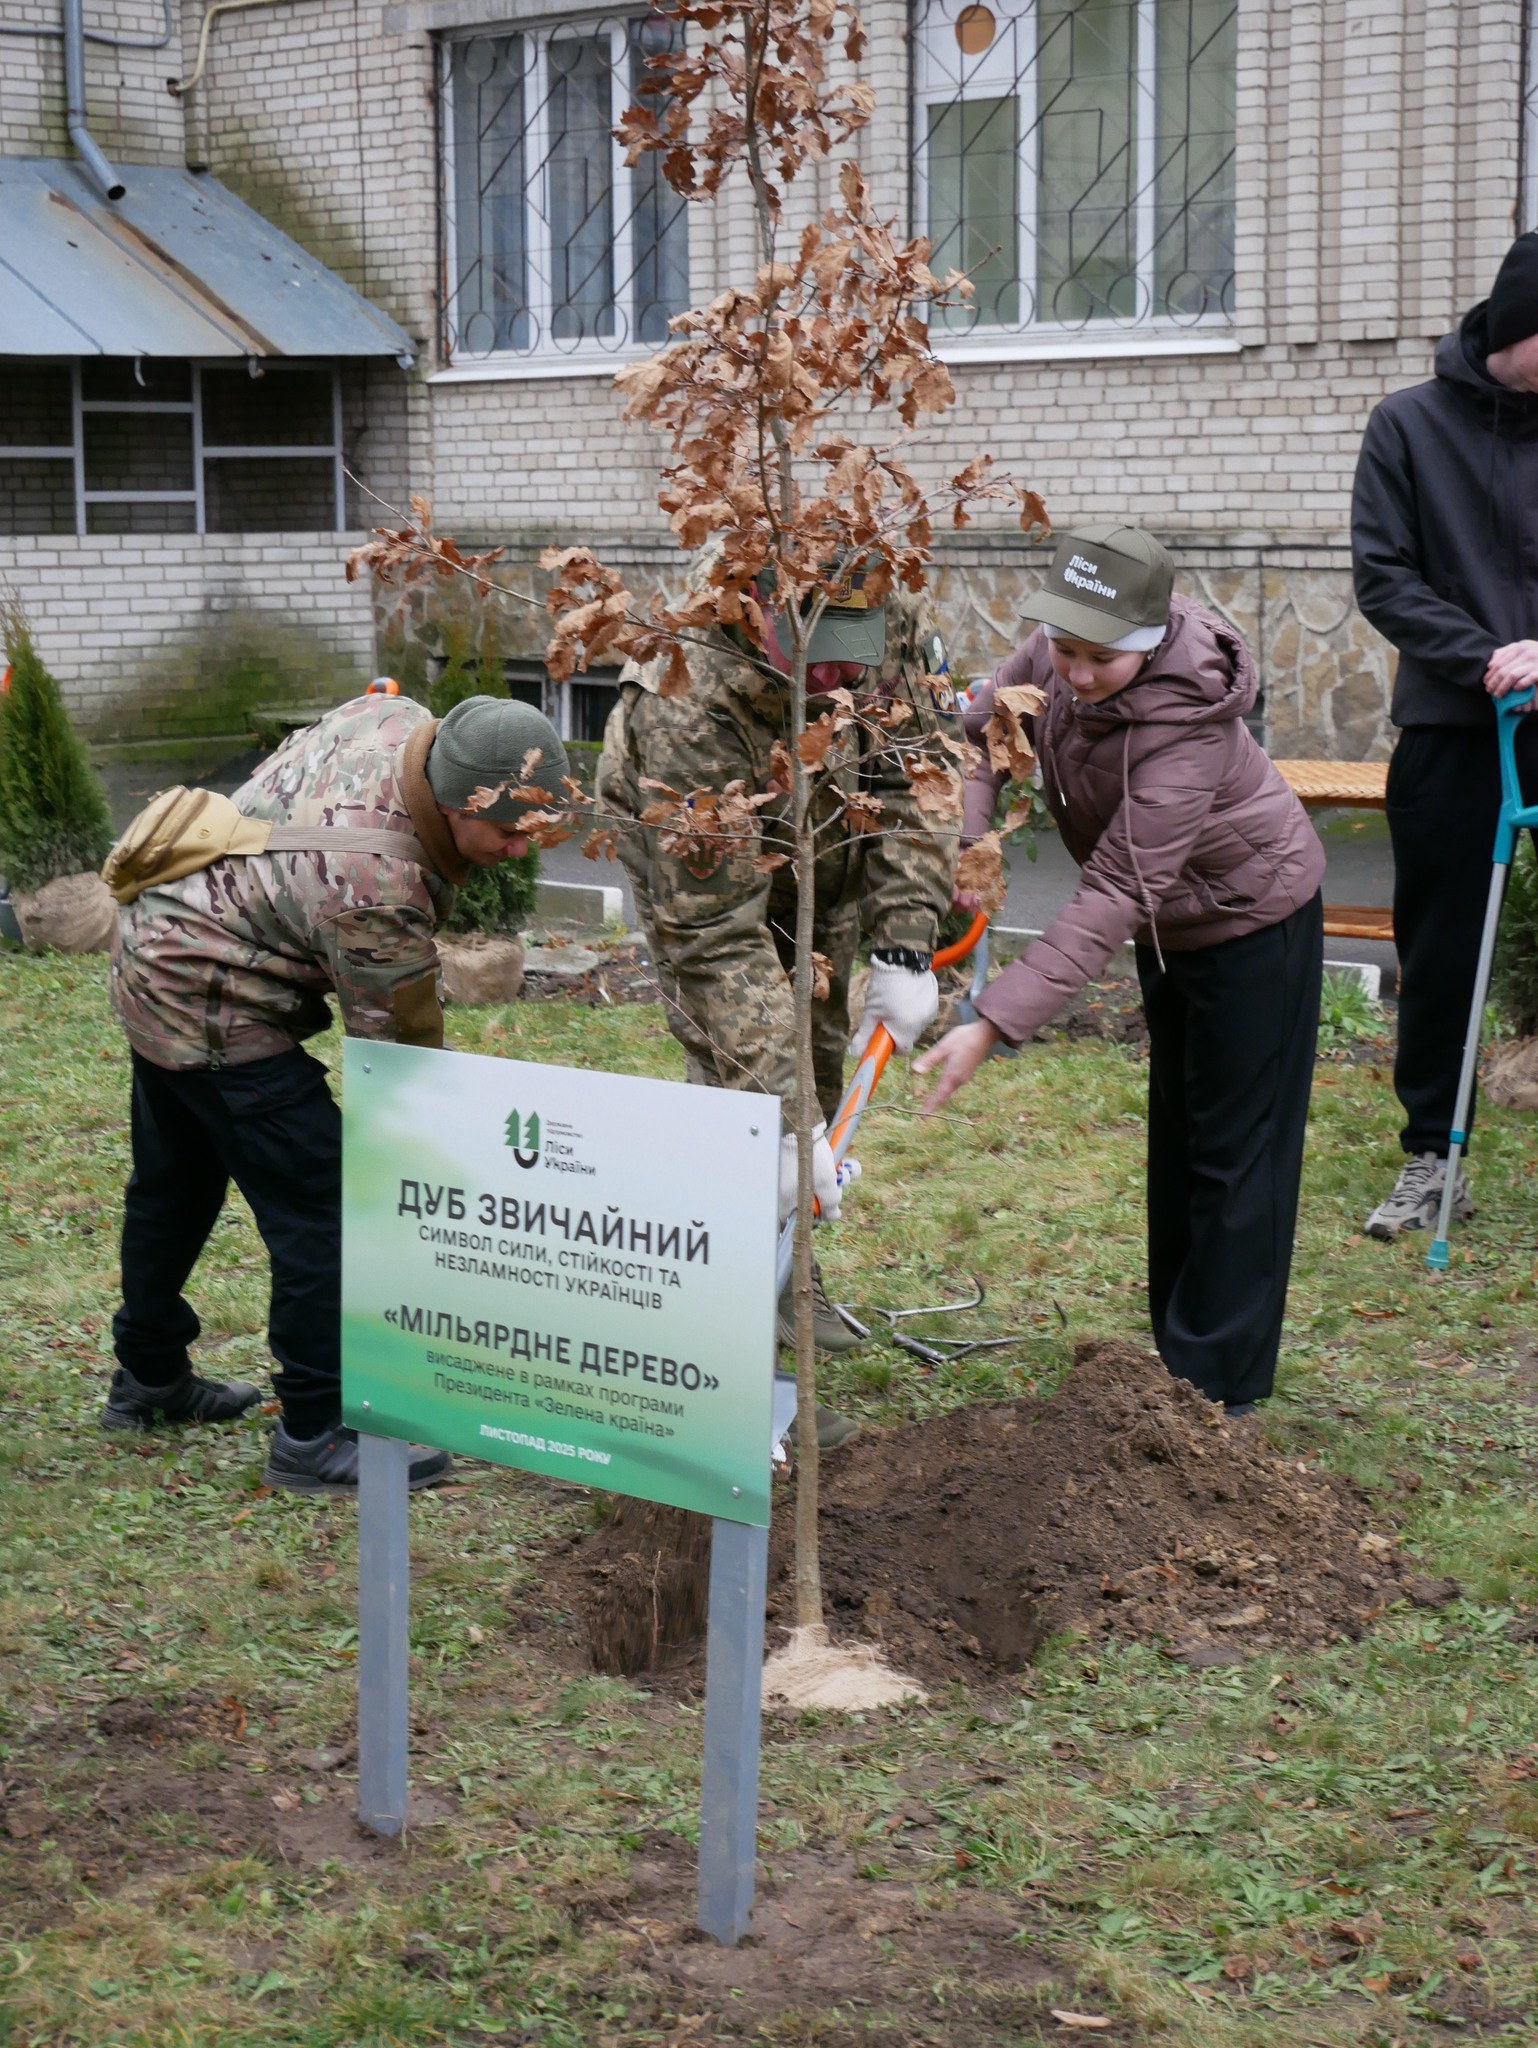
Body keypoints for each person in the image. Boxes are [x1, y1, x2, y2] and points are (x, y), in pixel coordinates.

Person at [103, 691, 567, 1492]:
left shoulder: (400, 723)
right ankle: (316, 1434)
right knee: (325, 1207)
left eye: (540, 828)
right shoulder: (377, 888)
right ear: (456, 803)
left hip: (153, 943)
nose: (523, 849)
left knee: (173, 1186)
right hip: (208, 996)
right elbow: (400, 1070)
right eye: (508, 831)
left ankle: (147, 1378)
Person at [915, 524, 1325, 1417]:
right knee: (1180, 1136)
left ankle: (1218, 1394)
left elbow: (1116, 888)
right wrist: (971, 839)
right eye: (1064, 649)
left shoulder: (1186, 727)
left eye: (1101, 658)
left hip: (1254, 921)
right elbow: (985, 727)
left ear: (1146, 641)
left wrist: (992, 1019)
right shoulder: (1055, 647)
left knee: (1236, 1154)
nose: (1076, 673)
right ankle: (1180, 1364)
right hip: (1175, 925)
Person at [598, 556, 958, 1443]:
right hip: (704, 881)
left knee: (821, 1056)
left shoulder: (884, 612)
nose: (840, 678)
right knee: (745, 1114)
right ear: (755, 610)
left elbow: (916, 771)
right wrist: (784, 1124)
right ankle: (724, 1393)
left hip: (825, 850)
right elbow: (715, 940)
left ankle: (790, 1279)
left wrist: (905, 937)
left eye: (854, 652)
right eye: (816, 656)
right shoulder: (685, 691)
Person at [1352, 232, 1538, 1238]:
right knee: (1441, 953)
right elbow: (1382, 575)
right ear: (1517, 329)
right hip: (1451, 731)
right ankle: (1434, 1156)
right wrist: (1487, 655)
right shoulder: (1406, 427)